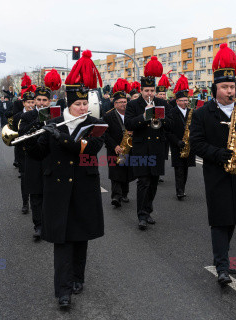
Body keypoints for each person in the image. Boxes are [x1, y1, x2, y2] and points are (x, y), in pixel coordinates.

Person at [25, 50, 105, 308]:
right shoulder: (53, 122)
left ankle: (78, 277)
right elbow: (39, 154)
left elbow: (91, 149)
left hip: (84, 185)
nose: (82, 108)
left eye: (85, 104)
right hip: (57, 187)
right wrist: (28, 139)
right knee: (62, 240)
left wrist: (64, 139)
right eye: (78, 105)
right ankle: (63, 290)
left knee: (80, 236)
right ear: (68, 104)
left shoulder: (95, 124)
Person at [189, 44, 236, 285]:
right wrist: (217, 154)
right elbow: (196, 142)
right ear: (215, 89)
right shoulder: (203, 113)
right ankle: (221, 265)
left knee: (234, 217)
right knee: (220, 218)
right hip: (217, 172)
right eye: (224, 87)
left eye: (232, 87)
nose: (230, 91)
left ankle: (222, 257)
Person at [124, 56, 173, 230]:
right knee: (143, 182)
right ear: (141, 90)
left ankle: (148, 210)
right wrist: (144, 117)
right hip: (141, 148)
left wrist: (162, 118)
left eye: (152, 90)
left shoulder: (162, 103)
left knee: (153, 182)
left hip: (157, 148)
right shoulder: (134, 104)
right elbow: (128, 124)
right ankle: (142, 216)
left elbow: (171, 123)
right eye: (146, 91)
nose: (150, 94)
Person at [19, 70, 62, 239]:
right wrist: (38, 121)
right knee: (36, 194)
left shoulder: (57, 115)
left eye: (45, 100)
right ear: (34, 100)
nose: (42, 103)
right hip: (34, 159)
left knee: (52, 193)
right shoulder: (28, 115)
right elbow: (21, 134)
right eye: (39, 100)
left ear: (50, 100)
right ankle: (38, 225)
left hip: (52, 158)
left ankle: (51, 223)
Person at [103, 79, 134, 208]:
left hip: (127, 147)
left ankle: (124, 193)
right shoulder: (108, 116)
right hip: (113, 148)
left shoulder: (131, 114)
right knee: (115, 173)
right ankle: (116, 196)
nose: (123, 104)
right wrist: (114, 146)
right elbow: (105, 134)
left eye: (125, 102)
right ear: (115, 104)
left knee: (126, 171)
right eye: (120, 102)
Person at [166, 75, 196, 200]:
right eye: (182, 100)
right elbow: (168, 132)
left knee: (186, 170)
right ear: (177, 101)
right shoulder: (172, 112)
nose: (185, 102)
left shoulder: (192, 112)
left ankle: (182, 188)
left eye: (186, 100)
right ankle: (180, 191)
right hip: (177, 145)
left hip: (188, 144)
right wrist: (178, 142)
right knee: (179, 169)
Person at [13, 90, 36, 214]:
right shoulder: (17, 117)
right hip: (22, 149)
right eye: (28, 102)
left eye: (33, 102)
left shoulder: (38, 114)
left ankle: (34, 202)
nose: (31, 104)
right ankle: (25, 202)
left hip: (36, 149)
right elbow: (14, 132)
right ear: (24, 103)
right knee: (24, 177)